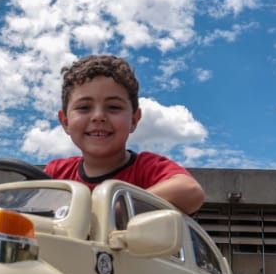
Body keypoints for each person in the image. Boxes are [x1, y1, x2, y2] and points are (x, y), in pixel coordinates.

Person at [43, 54, 205, 214]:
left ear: (134, 120)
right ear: (65, 122)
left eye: (113, 107)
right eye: (84, 107)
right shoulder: (56, 173)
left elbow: (190, 191)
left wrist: (111, 209)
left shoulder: (146, 168)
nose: (98, 116)